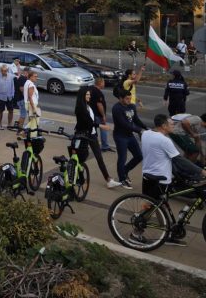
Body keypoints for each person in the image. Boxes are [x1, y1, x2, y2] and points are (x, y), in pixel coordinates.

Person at [135, 115, 206, 246]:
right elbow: (180, 161)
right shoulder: (164, 141)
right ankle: (136, 233)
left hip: (148, 175)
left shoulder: (146, 134)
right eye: (171, 124)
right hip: (161, 179)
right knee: (152, 206)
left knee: (155, 205)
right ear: (163, 126)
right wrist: (201, 171)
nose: (174, 125)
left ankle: (165, 234)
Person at [74, 87, 122, 189]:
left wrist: (96, 129)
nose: (89, 96)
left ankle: (108, 180)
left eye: (89, 95)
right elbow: (88, 122)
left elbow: (91, 121)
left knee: (99, 158)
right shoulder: (80, 108)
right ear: (82, 96)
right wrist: (101, 126)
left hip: (92, 135)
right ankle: (77, 177)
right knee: (79, 158)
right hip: (83, 136)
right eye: (87, 95)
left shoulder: (87, 106)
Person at [111, 89, 147, 189]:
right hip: (120, 136)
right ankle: (122, 179)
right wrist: (139, 130)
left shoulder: (131, 106)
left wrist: (145, 128)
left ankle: (125, 171)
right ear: (120, 98)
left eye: (130, 98)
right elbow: (124, 124)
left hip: (130, 135)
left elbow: (136, 120)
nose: (129, 100)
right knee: (122, 158)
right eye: (127, 99)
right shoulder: (116, 108)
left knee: (139, 156)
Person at [87, 77, 113, 152]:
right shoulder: (98, 92)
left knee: (92, 131)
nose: (104, 84)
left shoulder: (90, 89)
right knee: (103, 129)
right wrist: (103, 115)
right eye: (103, 82)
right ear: (100, 83)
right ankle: (104, 146)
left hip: (90, 114)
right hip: (98, 115)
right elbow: (99, 105)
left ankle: (93, 145)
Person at [0, 65, 15, 130]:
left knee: (11, 110)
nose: (3, 72)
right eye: (2, 70)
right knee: (1, 110)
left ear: (7, 70)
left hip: (9, 96)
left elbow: (12, 86)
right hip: (1, 97)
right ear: (0, 70)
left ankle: (9, 124)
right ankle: (0, 124)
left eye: (5, 71)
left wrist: (13, 94)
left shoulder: (11, 76)